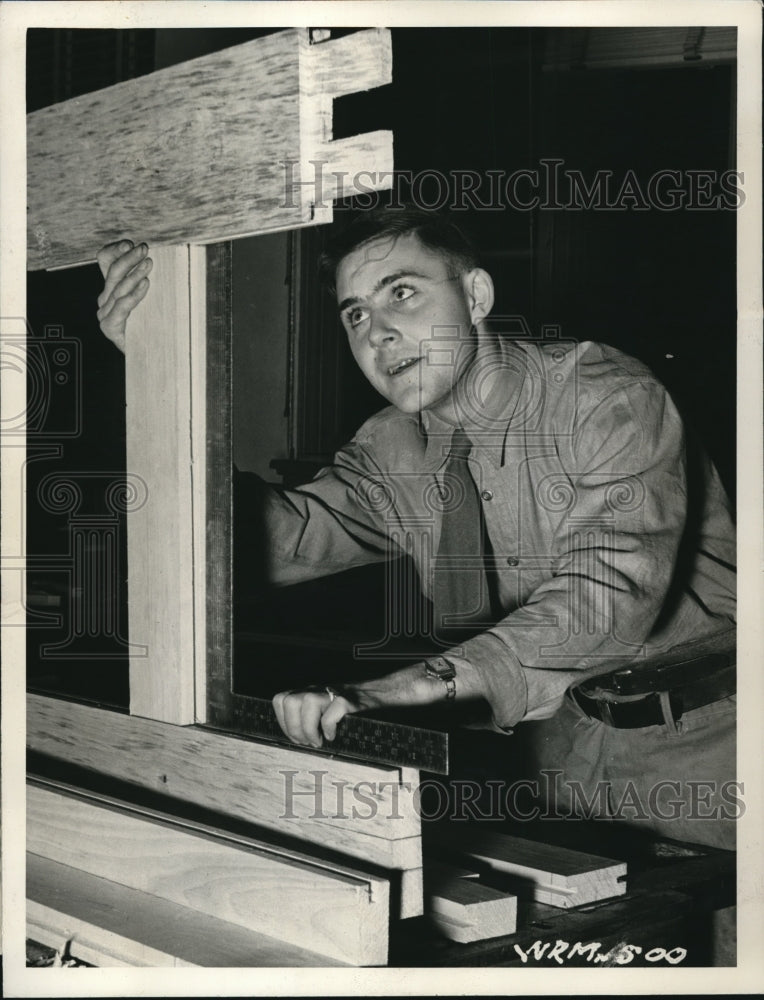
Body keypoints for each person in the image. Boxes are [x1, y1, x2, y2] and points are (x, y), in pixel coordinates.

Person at [97, 206, 737, 850]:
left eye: (401, 293)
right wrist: (159, 375)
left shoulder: (605, 397)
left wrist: (400, 689)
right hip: (555, 760)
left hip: (704, 750)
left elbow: (604, 599)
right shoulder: (391, 446)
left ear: (476, 295)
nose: (377, 333)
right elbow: (278, 543)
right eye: (355, 314)